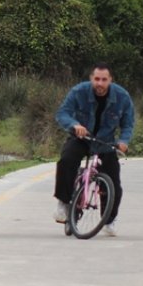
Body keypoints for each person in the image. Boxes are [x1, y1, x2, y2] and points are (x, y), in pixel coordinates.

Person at [52, 63, 135, 237]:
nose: (100, 83)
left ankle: (109, 220)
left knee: (114, 184)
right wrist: (74, 125)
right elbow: (63, 113)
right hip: (81, 138)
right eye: (97, 79)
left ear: (110, 80)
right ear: (91, 79)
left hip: (105, 143)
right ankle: (64, 203)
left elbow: (127, 124)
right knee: (67, 160)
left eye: (104, 80)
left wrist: (123, 141)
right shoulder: (79, 91)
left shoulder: (122, 96)